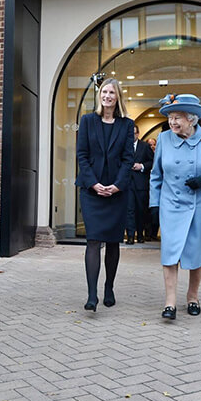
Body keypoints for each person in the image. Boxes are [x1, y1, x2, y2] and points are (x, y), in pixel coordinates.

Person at [150, 93, 201, 320]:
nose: (173, 122)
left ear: (192, 119)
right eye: (171, 117)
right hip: (171, 204)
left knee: (196, 253)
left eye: (178, 117)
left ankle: (192, 297)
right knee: (170, 253)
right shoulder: (164, 139)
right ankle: (170, 303)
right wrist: (154, 204)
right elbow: (156, 176)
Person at [74, 78, 135, 312]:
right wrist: (94, 183)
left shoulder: (126, 125)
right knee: (93, 240)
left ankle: (109, 287)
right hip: (92, 191)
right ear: (100, 96)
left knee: (112, 242)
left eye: (112, 92)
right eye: (104, 92)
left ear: (118, 97)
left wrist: (118, 185)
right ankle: (92, 295)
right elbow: (82, 155)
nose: (107, 96)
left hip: (117, 192)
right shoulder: (88, 121)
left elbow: (128, 158)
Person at [124, 124, 154, 244]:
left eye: (134, 133)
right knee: (129, 210)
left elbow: (152, 162)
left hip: (141, 183)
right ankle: (130, 236)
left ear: (138, 134)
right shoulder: (124, 146)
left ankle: (140, 235)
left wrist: (141, 166)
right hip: (127, 183)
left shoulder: (145, 146)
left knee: (141, 210)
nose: (132, 136)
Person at [145, 137, 160, 240]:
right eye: (150, 145)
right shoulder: (145, 155)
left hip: (158, 188)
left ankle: (154, 233)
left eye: (154, 144)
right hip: (146, 186)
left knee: (156, 212)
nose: (152, 147)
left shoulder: (160, 154)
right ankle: (147, 233)